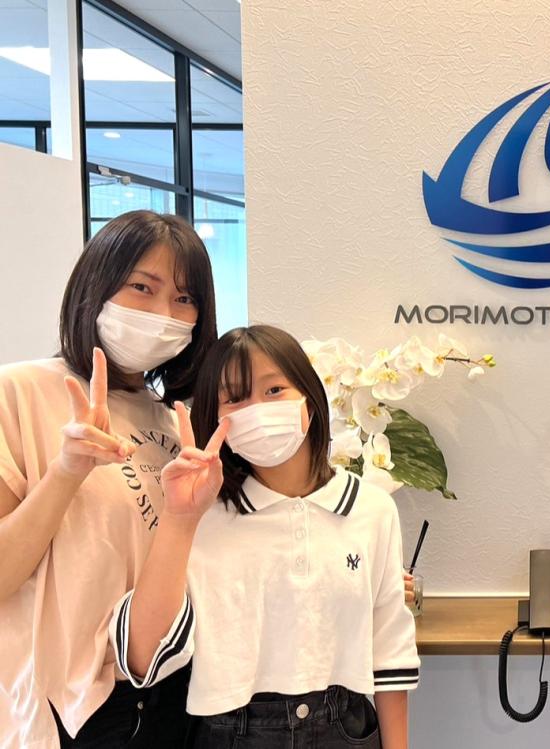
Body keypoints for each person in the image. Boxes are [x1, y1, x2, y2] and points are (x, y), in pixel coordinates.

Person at [111, 325, 419, 749]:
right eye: (235, 398)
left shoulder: (372, 509)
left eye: (274, 390)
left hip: (344, 727)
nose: (257, 409)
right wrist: (180, 519)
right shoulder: (201, 514)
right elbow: (142, 657)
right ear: (215, 418)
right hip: (229, 732)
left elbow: (390, 653)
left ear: (309, 399)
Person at [0, 211, 218, 748]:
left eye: (184, 299)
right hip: (70, 706)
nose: (163, 313)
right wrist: (66, 470)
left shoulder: (174, 420)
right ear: (95, 284)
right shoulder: (19, 392)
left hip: (173, 687)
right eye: (142, 287)